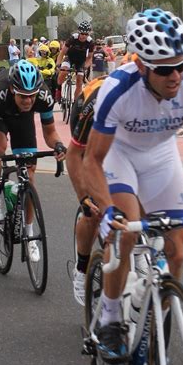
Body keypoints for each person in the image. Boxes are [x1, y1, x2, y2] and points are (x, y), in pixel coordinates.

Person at [82, 7, 183, 362]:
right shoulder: (117, 90)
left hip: (161, 158)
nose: (176, 76)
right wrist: (107, 210)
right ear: (141, 66)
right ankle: (110, 317)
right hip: (119, 156)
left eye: (181, 65)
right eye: (165, 69)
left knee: (178, 251)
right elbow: (91, 160)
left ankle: (160, 317)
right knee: (126, 230)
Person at [0, 61, 66, 243]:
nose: (28, 101)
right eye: (23, 96)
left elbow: (50, 133)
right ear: (12, 89)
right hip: (0, 116)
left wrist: (58, 145)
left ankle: (29, 232)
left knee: (30, 177)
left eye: (32, 96)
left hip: (23, 120)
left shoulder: (44, 97)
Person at [66, 75, 107, 304]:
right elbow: (75, 155)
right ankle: (82, 270)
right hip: (86, 113)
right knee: (93, 209)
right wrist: (84, 197)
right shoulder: (98, 102)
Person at [56, 21, 95, 103]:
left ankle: (75, 103)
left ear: (88, 34)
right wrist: (58, 64)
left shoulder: (90, 42)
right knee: (63, 71)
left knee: (79, 80)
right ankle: (58, 89)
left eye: (86, 34)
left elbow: (89, 58)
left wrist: (85, 67)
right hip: (69, 57)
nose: (83, 36)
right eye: (82, 33)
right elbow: (62, 52)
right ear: (79, 32)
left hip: (81, 61)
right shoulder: (73, 38)